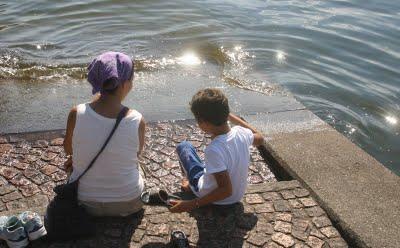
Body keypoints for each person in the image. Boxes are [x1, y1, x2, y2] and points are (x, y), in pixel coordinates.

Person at [63, 51, 146, 216]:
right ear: (125, 84)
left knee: (72, 163)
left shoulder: (76, 113)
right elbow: (136, 154)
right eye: (131, 79)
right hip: (129, 202)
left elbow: (68, 149)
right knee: (138, 165)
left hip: (84, 203)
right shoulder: (137, 120)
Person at [169, 88, 264, 213]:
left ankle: (191, 186)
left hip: (218, 198)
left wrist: (190, 204)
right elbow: (260, 138)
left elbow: (225, 190)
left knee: (184, 146)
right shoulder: (241, 133)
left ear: (204, 123)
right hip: (237, 197)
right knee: (212, 165)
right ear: (226, 114)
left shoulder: (214, 150)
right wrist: (229, 116)